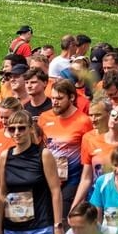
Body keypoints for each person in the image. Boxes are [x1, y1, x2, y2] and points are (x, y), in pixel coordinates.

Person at [39, 79, 94, 218]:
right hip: (48, 178)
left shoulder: (83, 121)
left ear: (72, 97)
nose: (54, 102)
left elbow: (89, 155)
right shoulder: (44, 117)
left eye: (59, 98)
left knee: (64, 220)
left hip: (72, 179)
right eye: (52, 98)